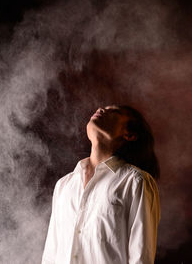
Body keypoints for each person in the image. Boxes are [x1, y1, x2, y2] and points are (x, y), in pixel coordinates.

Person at [42, 105, 161, 264]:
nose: (101, 109)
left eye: (114, 111)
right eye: (103, 107)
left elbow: (141, 258)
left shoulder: (135, 182)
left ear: (130, 134)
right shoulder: (64, 185)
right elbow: (50, 256)